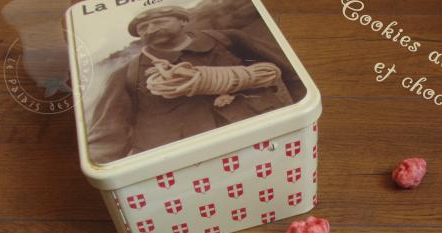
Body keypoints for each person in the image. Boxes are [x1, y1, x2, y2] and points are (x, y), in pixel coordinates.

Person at [87, 6, 305, 164]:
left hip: (260, 141)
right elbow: (109, 131)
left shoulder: (229, 40)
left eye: (158, 22)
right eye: (143, 27)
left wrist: (300, 117)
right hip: (184, 163)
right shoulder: (126, 74)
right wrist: (102, 172)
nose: (150, 29)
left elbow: (291, 73)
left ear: (183, 21)